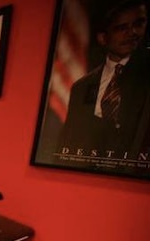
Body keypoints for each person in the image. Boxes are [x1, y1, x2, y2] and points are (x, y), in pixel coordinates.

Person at [58, 0, 150, 160]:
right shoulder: (81, 87)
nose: (132, 33)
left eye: (139, 23)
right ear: (103, 38)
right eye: (121, 28)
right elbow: (68, 141)